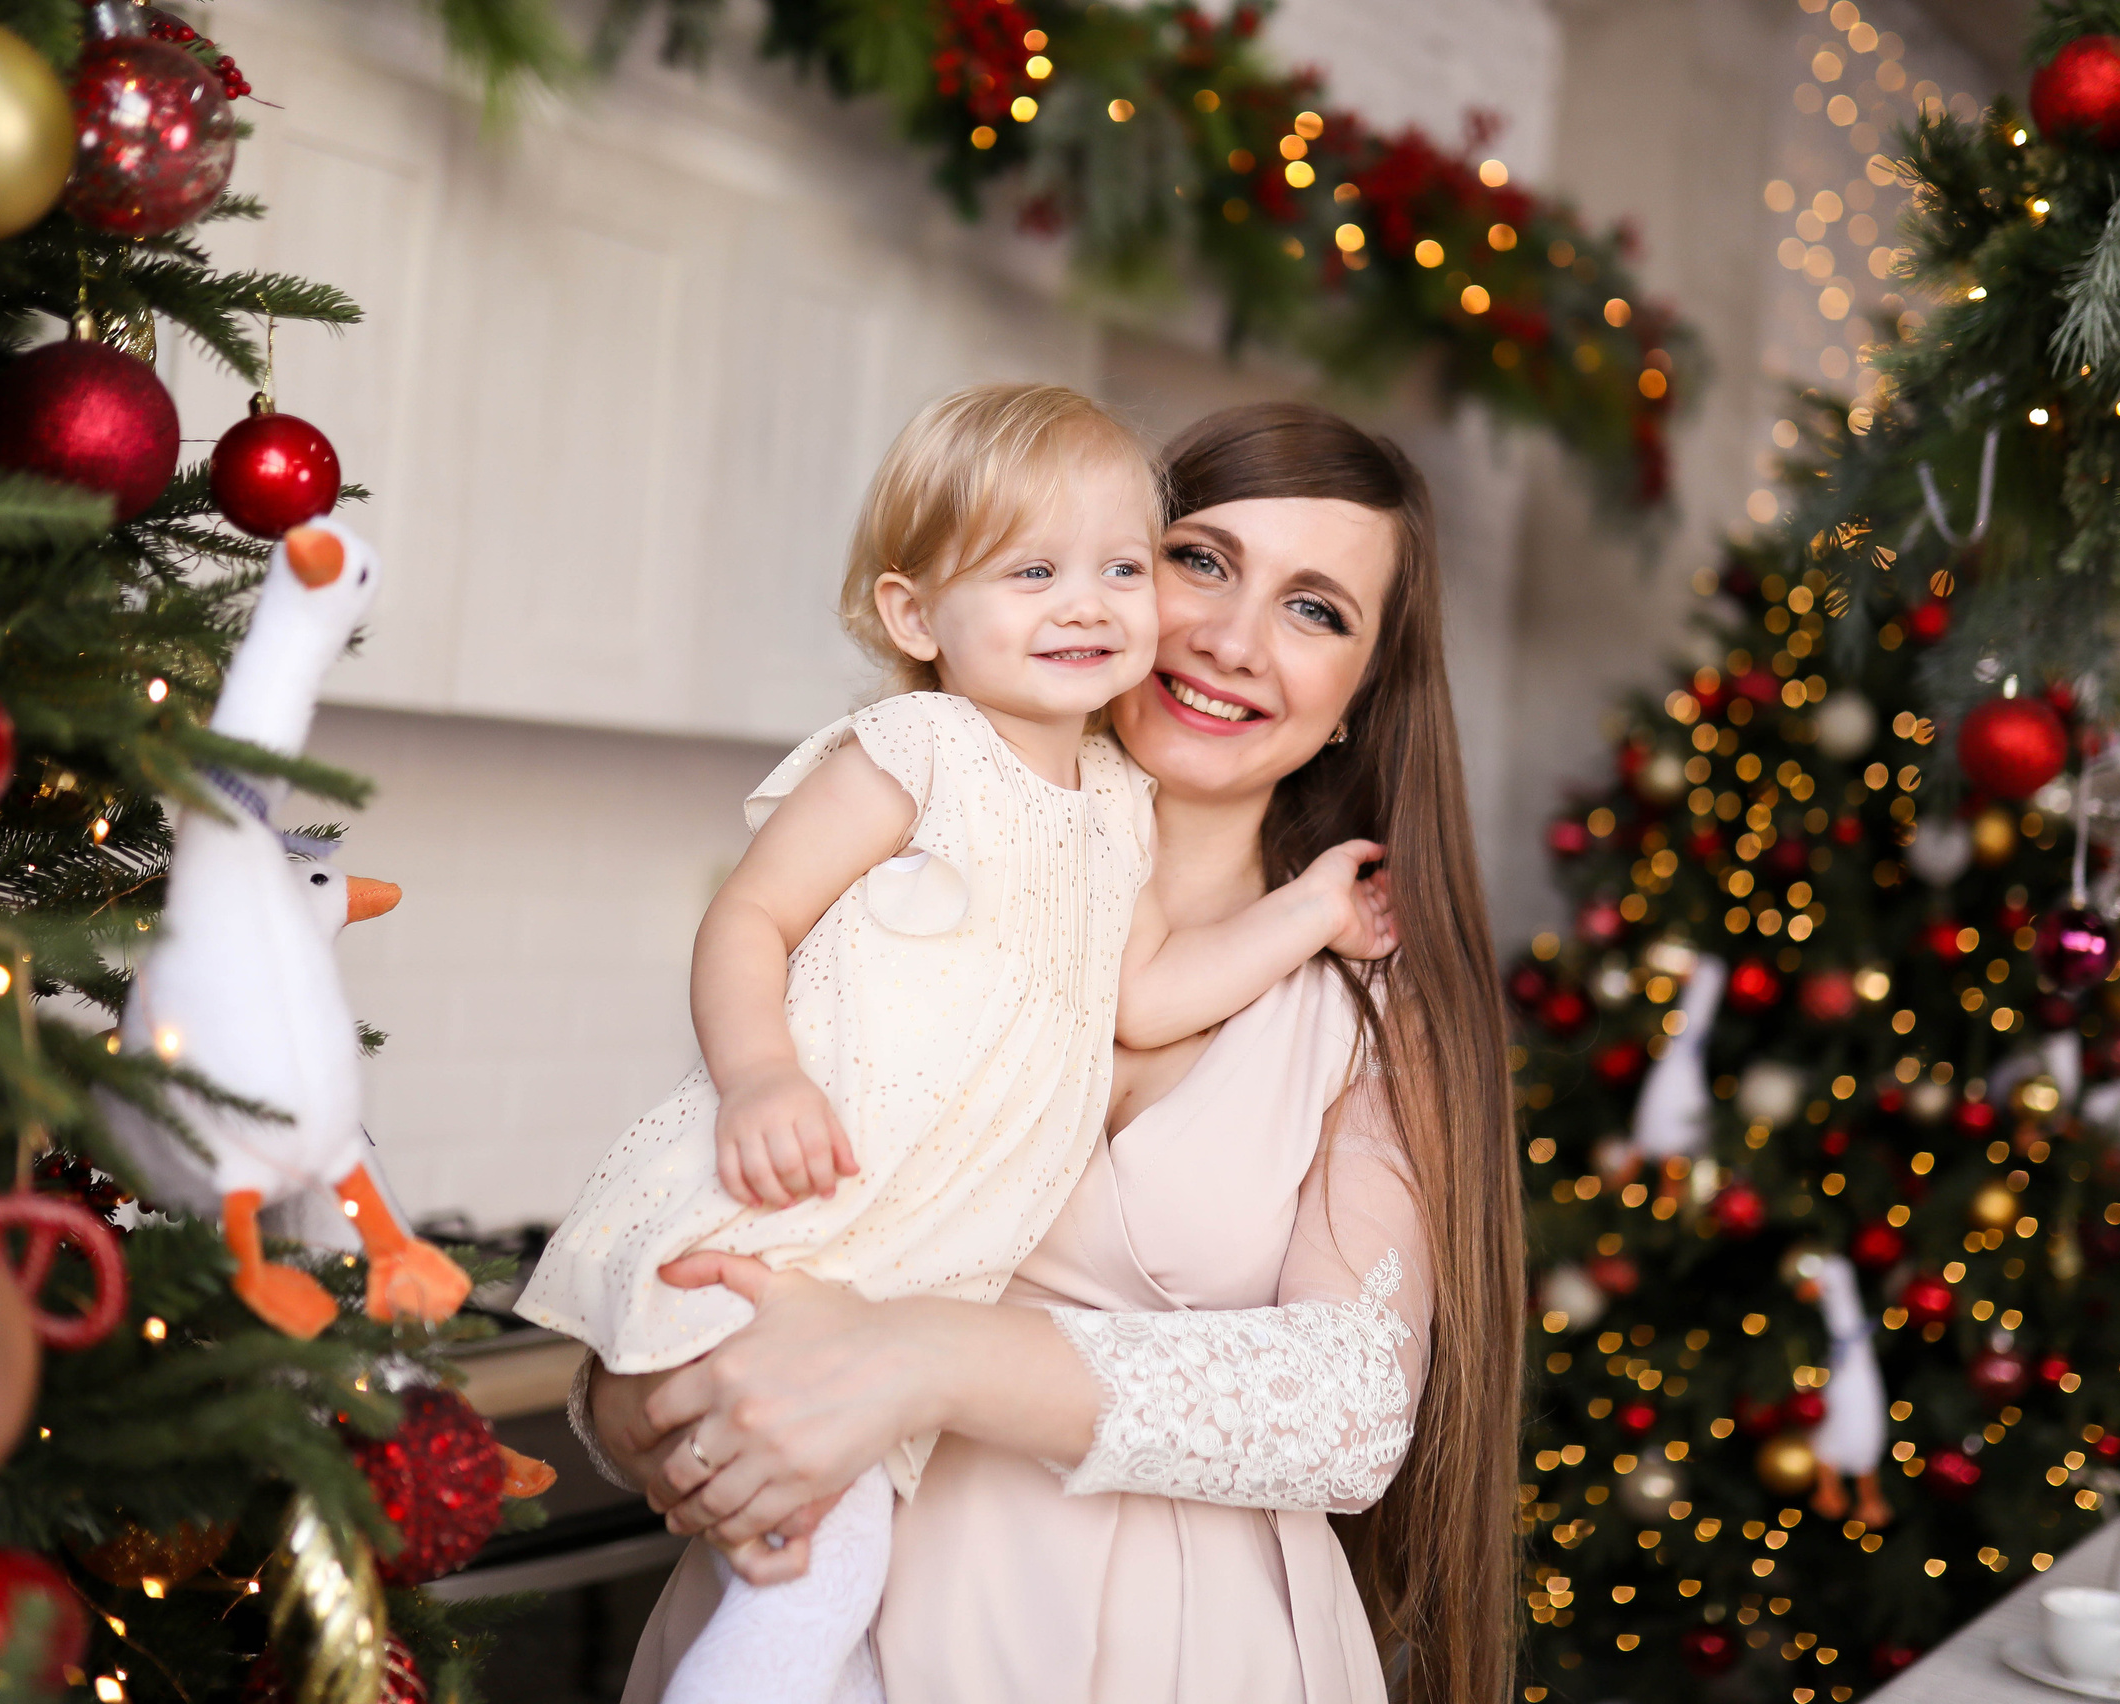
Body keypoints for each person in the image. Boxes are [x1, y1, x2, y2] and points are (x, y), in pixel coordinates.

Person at [582, 401, 1525, 1704]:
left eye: (1318, 612)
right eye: (1197, 561)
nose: (1230, 639)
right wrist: (637, 1405)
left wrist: (920, 1356)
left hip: (1189, 1654)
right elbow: (706, 1209)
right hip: (827, 1612)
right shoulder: (912, 864)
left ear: (1365, 697)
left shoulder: (1367, 1002)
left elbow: (1352, 1408)